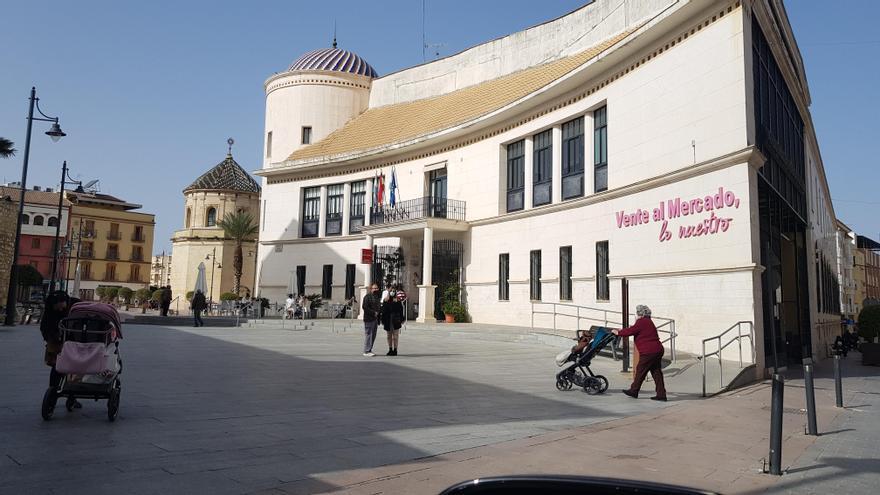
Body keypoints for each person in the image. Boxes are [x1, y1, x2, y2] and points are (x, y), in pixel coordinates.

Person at [612, 304, 667, 401]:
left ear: (640, 314)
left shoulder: (641, 321)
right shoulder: (649, 321)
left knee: (640, 370)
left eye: (637, 313)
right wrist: (623, 330)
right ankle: (661, 394)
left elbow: (631, 331)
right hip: (657, 349)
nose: (636, 315)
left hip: (649, 352)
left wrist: (618, 332)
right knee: (656, 372)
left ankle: (634, 390)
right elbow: (634, 329)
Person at [40, 291, 80, 410]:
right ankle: (52, 394)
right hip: (58, 343)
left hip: (74, 341)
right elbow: (45, 326)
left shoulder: (75, 305)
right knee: (57, 368)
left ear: (64, 302)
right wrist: (50, 337)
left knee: (73, 371)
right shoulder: (50, 310)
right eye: (55, 307)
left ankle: (72, 398)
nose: (58, 309)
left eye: (59, 306)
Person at [381, 289, 405, 356]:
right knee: (389, 336)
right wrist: (382, 320)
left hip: (396, 320)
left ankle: (395, 349)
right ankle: (390, 349)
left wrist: (402, 319)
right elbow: (383, 311)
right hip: (388, 320)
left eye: (394, 291)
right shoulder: (385, 300)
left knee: (395, 336)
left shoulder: (398, 301)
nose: (392, 292)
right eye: (391, 291)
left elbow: (401, 310)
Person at [362, 284, 382, 357]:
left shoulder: (377, 297)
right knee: (369, 334)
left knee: (373, 335)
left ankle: (369, 349)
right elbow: (364, 307)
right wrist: (373, 313)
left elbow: (378, 308)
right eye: (374, 288)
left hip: (375, 319)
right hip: (368, 319)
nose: (376, 289)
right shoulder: (367, 297)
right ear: (371, 289)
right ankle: (366, 351)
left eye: (377, 288)